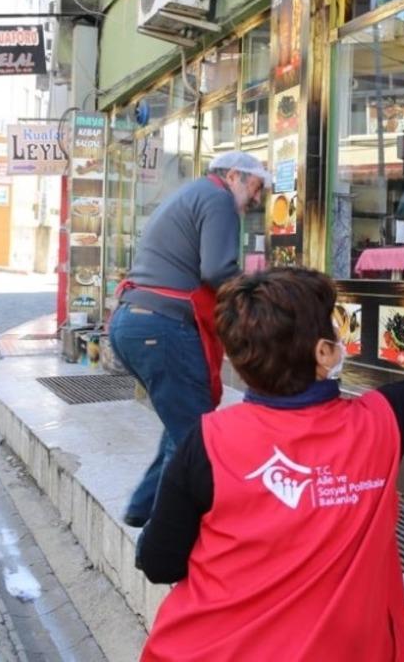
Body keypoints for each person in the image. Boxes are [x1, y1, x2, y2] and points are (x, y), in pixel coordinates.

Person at [134, 268, 404, 660]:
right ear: (323, 353)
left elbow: (158, 561)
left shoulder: (206, 442)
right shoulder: (380, 425)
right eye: (334, 330)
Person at [109, 151, 270, 528]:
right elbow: (217, 270)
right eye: (257, 187)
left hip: (135, 321)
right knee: (196, 439)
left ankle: (142, 507)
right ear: (234, 176)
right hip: (163, 327)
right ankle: (175, 535)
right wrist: (263, 295)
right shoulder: (218, 199)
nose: (258, 199)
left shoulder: (193, 193)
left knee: (183, 424)